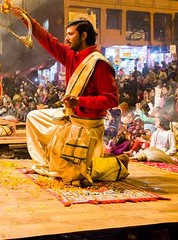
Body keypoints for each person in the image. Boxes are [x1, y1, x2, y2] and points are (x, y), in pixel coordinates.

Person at [11, 7, 129, 186]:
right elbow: (48, 40)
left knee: (72, 176)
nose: (66, 38)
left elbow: (112, 100)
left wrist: (79, 101)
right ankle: (45, 163)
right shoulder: (70, 55)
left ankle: (117, 163)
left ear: (83, 36)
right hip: (71, 118)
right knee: (33, 117)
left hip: (87, 125)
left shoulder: (99, 64)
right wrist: (24, 18)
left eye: (70, 34)